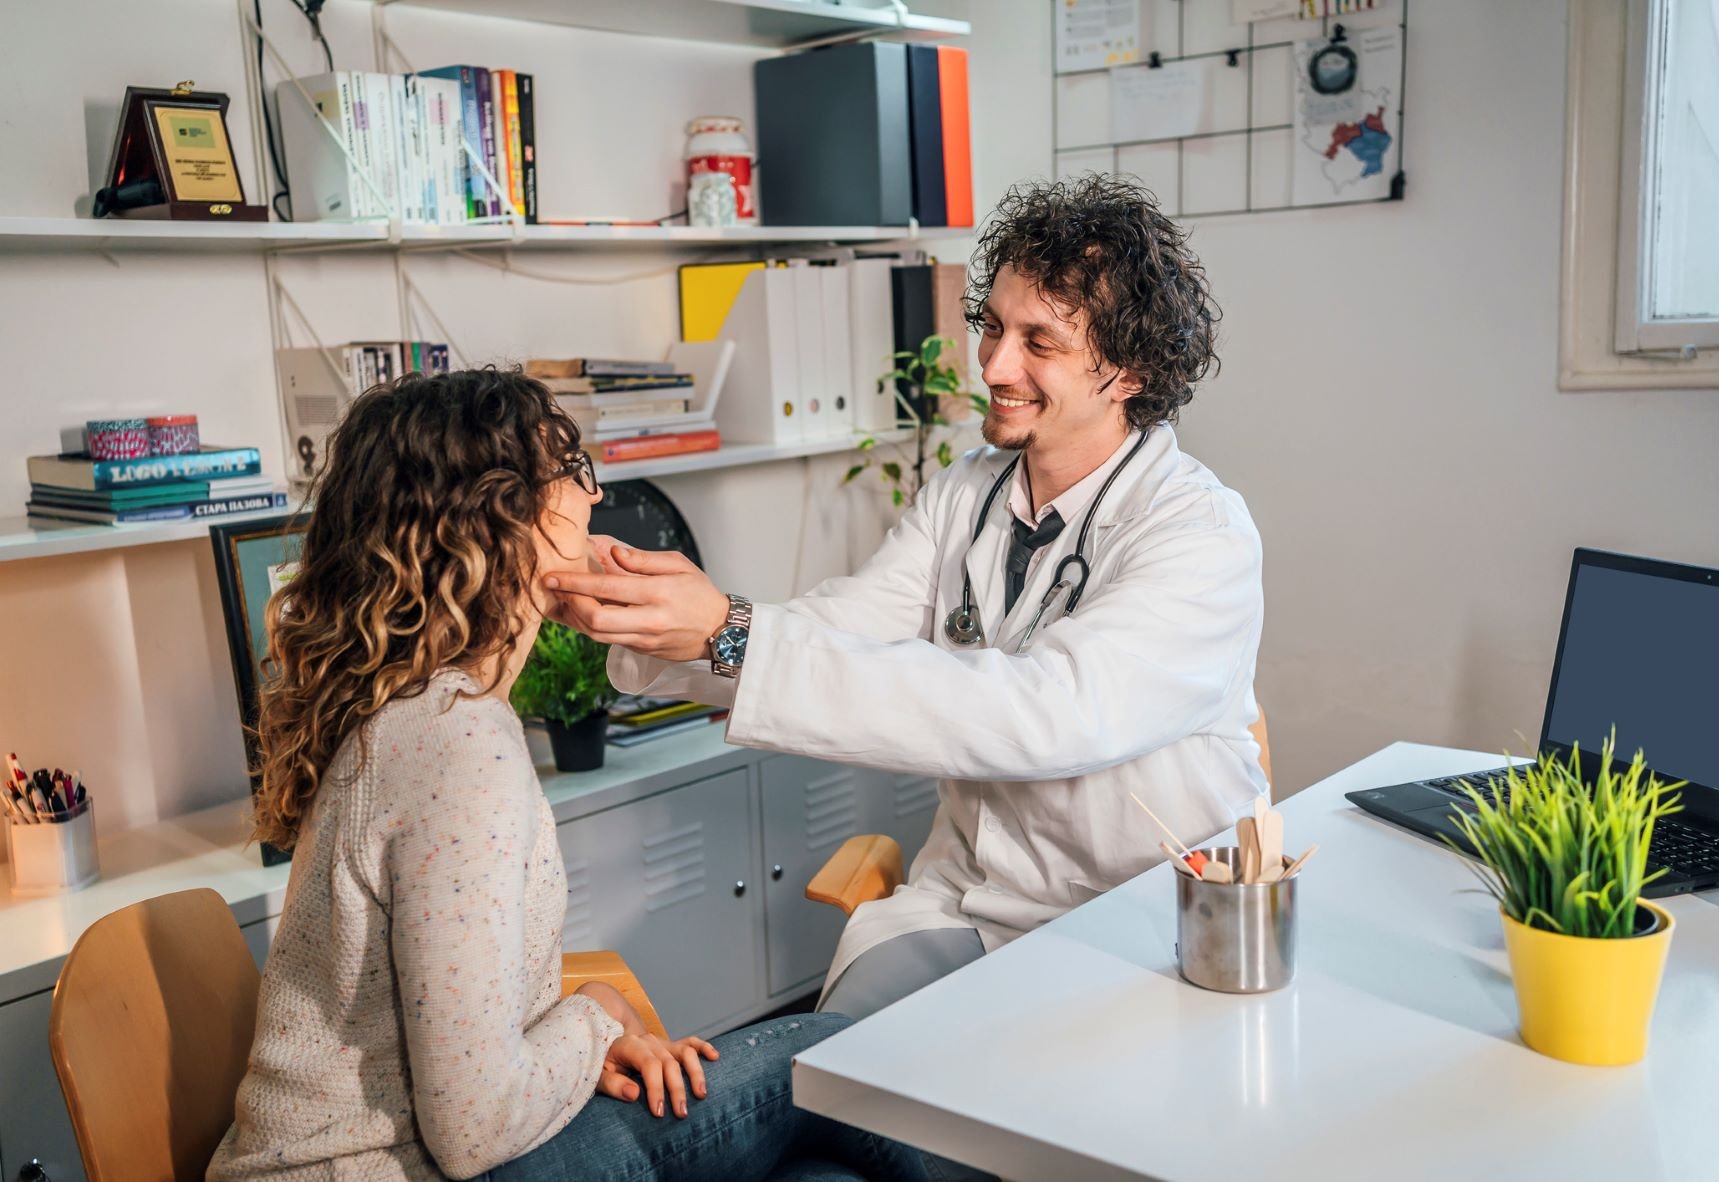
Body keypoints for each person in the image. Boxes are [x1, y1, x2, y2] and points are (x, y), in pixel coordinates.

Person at [545, 175, 1266, 1022]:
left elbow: (1053, 714)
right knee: (836, 1076)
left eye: (1039, 341)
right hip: (971, 901)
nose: (993, 365)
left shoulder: (1197, 531)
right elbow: (835, 633)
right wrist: (671, 622)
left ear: (1130, 369)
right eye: (992, 327)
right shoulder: (967, 493)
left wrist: (734, 631)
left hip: (1141, 917)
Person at [208, 371, 931, 1182]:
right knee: (830, 1054)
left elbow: (456, 1007)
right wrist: (589, 1020)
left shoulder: (423, 711)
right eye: (574, 469)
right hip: (395, 1170)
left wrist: (581, 1020)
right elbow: (474, 1129)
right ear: (502, 515)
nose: (592, 496)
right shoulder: (456, 746)